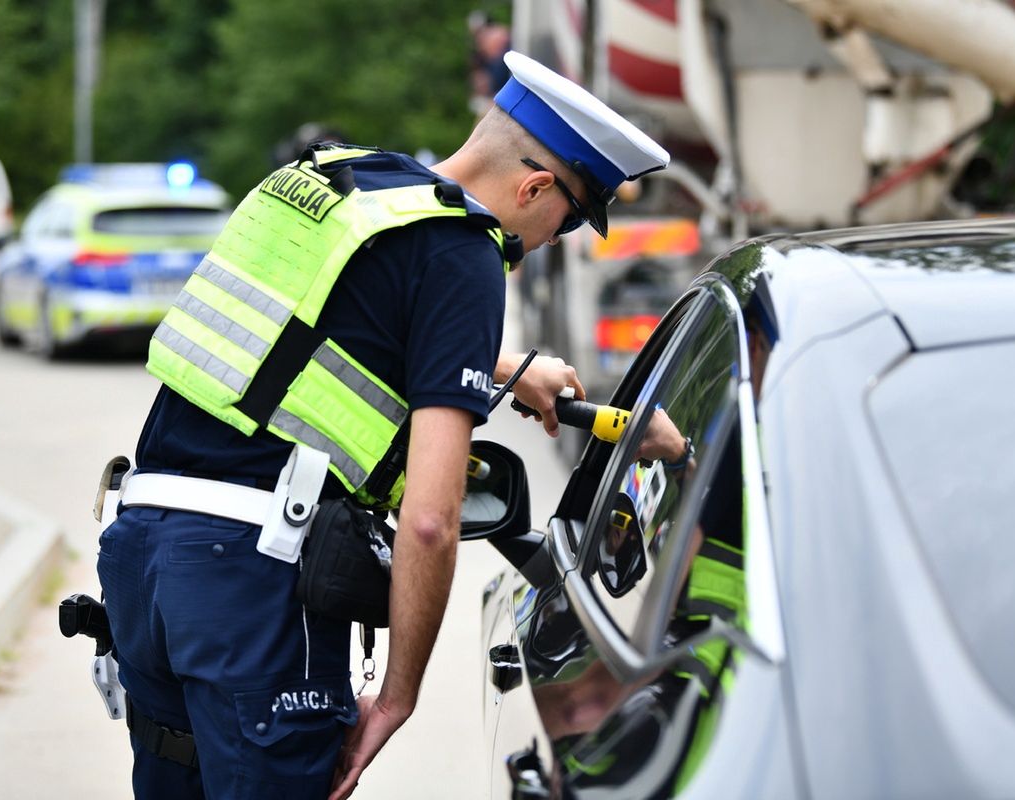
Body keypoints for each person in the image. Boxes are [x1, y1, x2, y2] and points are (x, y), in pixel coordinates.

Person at [95, 49, 669, 800]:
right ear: (534, 185)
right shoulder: (465, 252)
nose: (550, 241)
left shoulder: (335, 182)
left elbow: (301, 337)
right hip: (250, 584)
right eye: (564, 222)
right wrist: (398, 699)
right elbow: (430, 521)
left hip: (140, 554)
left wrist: (503, 367)